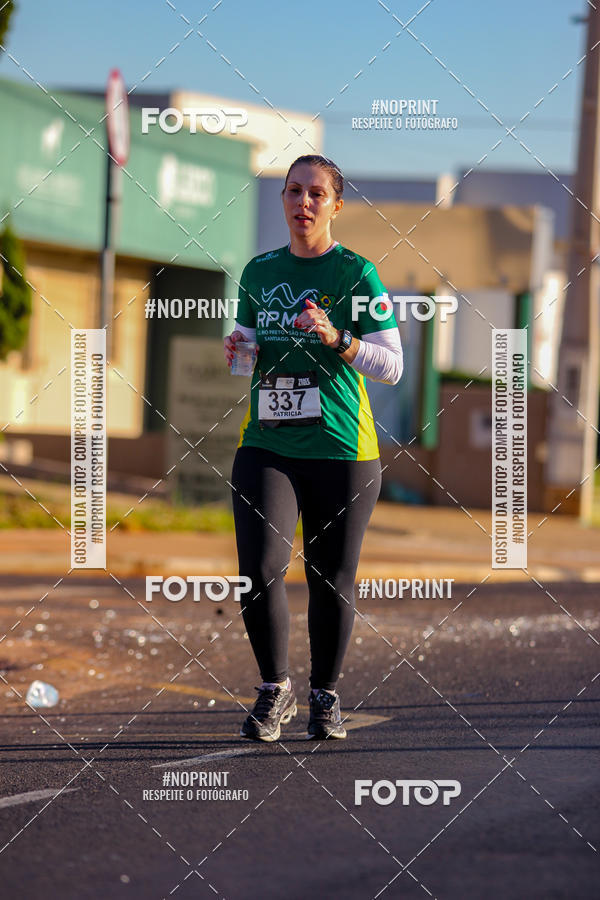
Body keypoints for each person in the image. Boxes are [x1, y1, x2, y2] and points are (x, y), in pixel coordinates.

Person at [223, 154, 403, 742]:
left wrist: (337, 337)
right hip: (268, 444)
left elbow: (393, 365)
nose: (304, 202)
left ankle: (325, 695)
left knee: (330, 578)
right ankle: (274, 690)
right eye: (294, 191)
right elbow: (245, 354)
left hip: (342, 450)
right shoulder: (258, 272)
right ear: (282, 200)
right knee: (258, 569)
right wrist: (238, 351)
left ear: (336, 206)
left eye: (316, 193)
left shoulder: (356, 274)